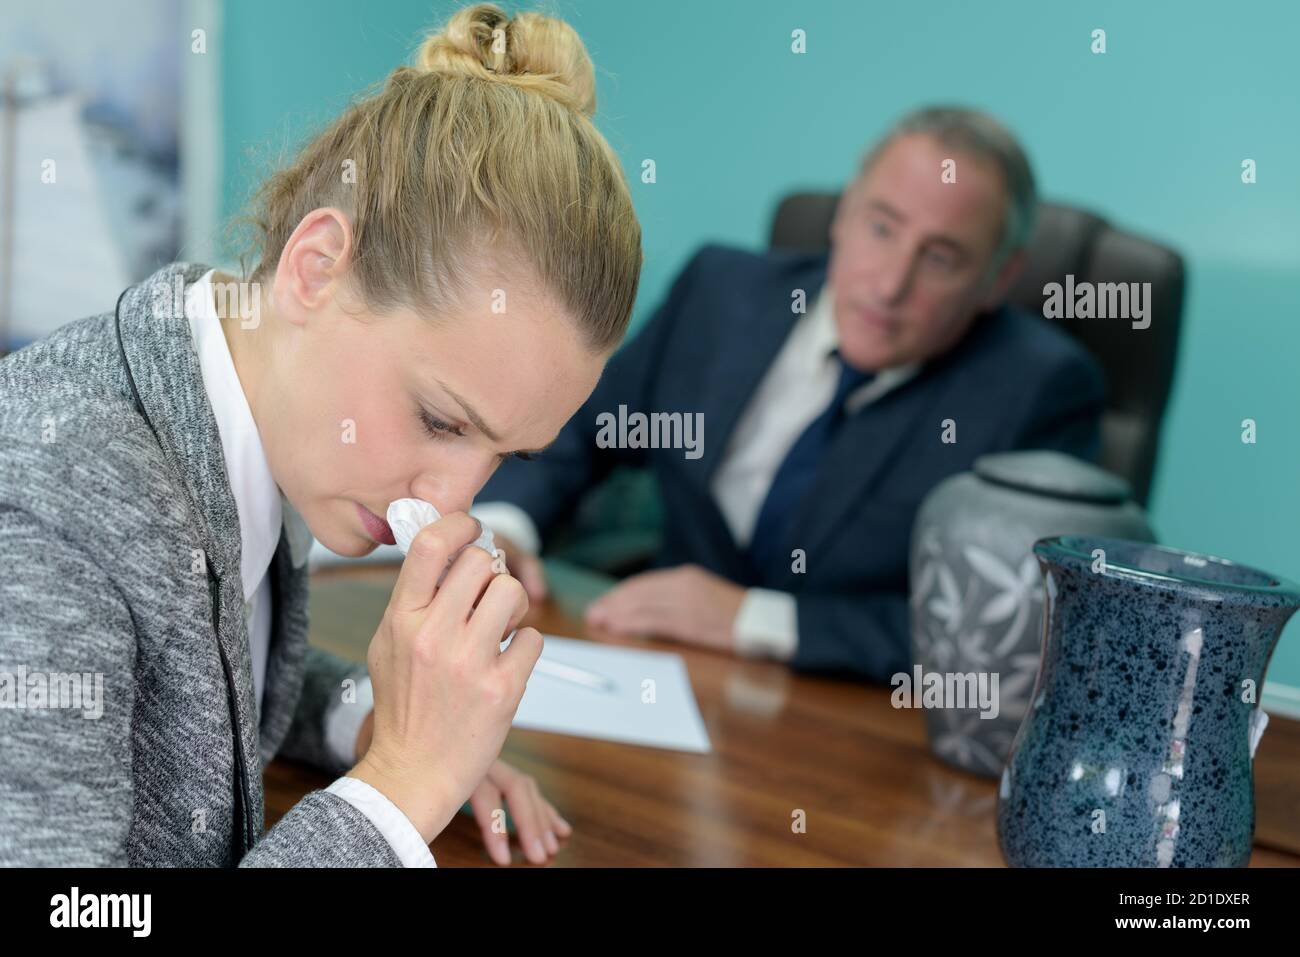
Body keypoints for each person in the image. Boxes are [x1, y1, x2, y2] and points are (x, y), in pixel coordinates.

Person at [0, 3, 642, 867]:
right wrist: (400, 788)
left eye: (505, 454)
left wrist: (379, 725)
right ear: (316, 268)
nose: (454, 499)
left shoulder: (257, 404)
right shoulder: (51, 502)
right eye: (441, 420)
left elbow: (203, 675)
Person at [477, 107, 1107, 681]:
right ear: (844, 212)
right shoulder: (720, 292)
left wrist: (758, 620)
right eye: (881, 227)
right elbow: (578, 430)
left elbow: (1010, 630)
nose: (889, 286)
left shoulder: (1040, 390)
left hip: (851, 727)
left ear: (1000, 278)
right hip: (654, 670)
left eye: (940, 258)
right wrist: (507, 529)